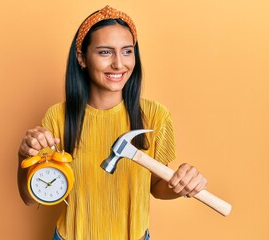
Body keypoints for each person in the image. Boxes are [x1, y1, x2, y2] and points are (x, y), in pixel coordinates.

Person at [18, 5, 207, 240]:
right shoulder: (57, 117)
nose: (119, 64)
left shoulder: (155, 115)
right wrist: (24, 156)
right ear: (82, 58)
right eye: (105, 52)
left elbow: (157, 187)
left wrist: (182, 183)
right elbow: (29, 197)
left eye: (127, 51)